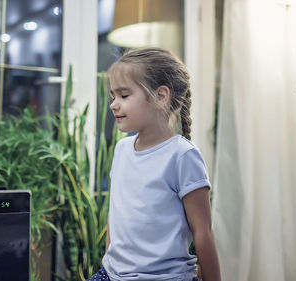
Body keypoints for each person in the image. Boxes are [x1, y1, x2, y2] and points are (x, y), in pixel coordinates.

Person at [87, 48, 221, 281]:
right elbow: (116, 215)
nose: (113, 105)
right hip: (112, 274)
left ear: (161, 96)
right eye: (113, 96)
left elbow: (203, 232)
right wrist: (111, 264)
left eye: (124, 96)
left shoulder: (182, 156)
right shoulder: (121, 150)